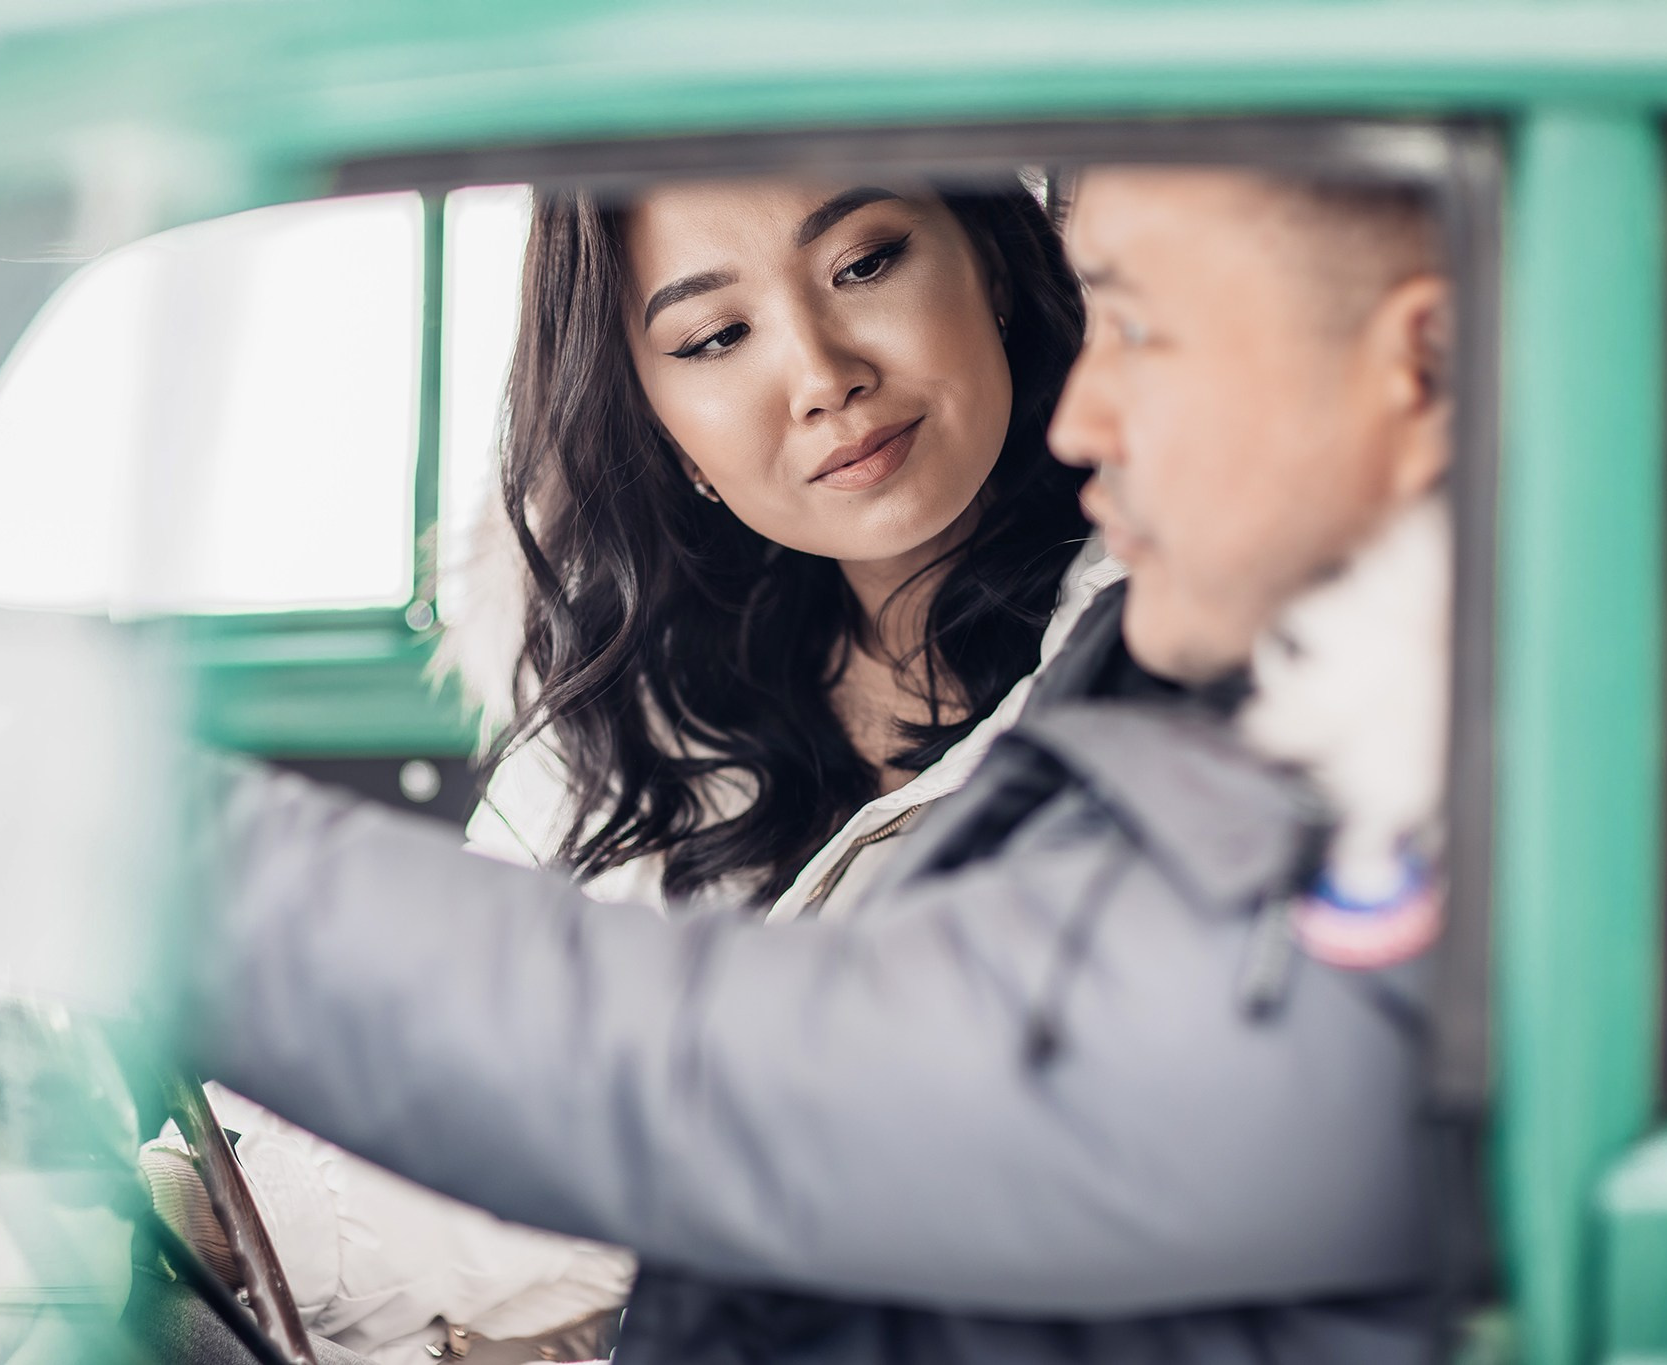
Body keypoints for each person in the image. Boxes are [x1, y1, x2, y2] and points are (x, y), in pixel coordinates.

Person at [183, 163, 1455, 1364]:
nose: (820, 376)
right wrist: (208, 1209)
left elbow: (769, 1094)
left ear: (991, 267)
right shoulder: (630, 711)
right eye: (711, 337)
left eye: (866, 263)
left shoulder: (1246, 710)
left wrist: (165, 860)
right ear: (655, 418)